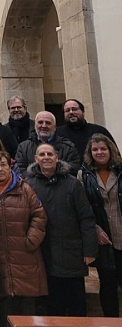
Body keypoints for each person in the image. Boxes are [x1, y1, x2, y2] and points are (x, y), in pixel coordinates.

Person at [25, 142, 97, 316]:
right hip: (45, 253)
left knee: (76, 305)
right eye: (42, 155)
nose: (46, 158)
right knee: (52, 306)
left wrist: (89, 250)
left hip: (71, 252)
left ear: (57, 157)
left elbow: (86, 219)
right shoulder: (28, 185)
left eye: (50, 154)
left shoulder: (72, 184)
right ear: (36, 159)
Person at [0, 151, 48, 326]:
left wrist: (31, 239)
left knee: (26, 308)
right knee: (2, 307)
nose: (0, 168)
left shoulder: (24, 188)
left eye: (3, 164)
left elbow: (39, 215)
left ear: (10, 166)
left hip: (25, 255)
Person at [79, 134, 122, 317]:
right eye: (95, 149)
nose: (99, 152)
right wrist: (95, 230)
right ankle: (111, 321)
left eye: (103, 148)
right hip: (103, 237)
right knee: (108, 284)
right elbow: (83, 207)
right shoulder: (84, 174)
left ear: (110, 150)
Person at [15, 110, 80, 175]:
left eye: (48, 123)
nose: (44, 126)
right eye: (40, 122)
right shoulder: (23, 147)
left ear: (54, 127)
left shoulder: (68, 148)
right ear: (35, 126)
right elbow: (19, 171)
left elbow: (74, 169)